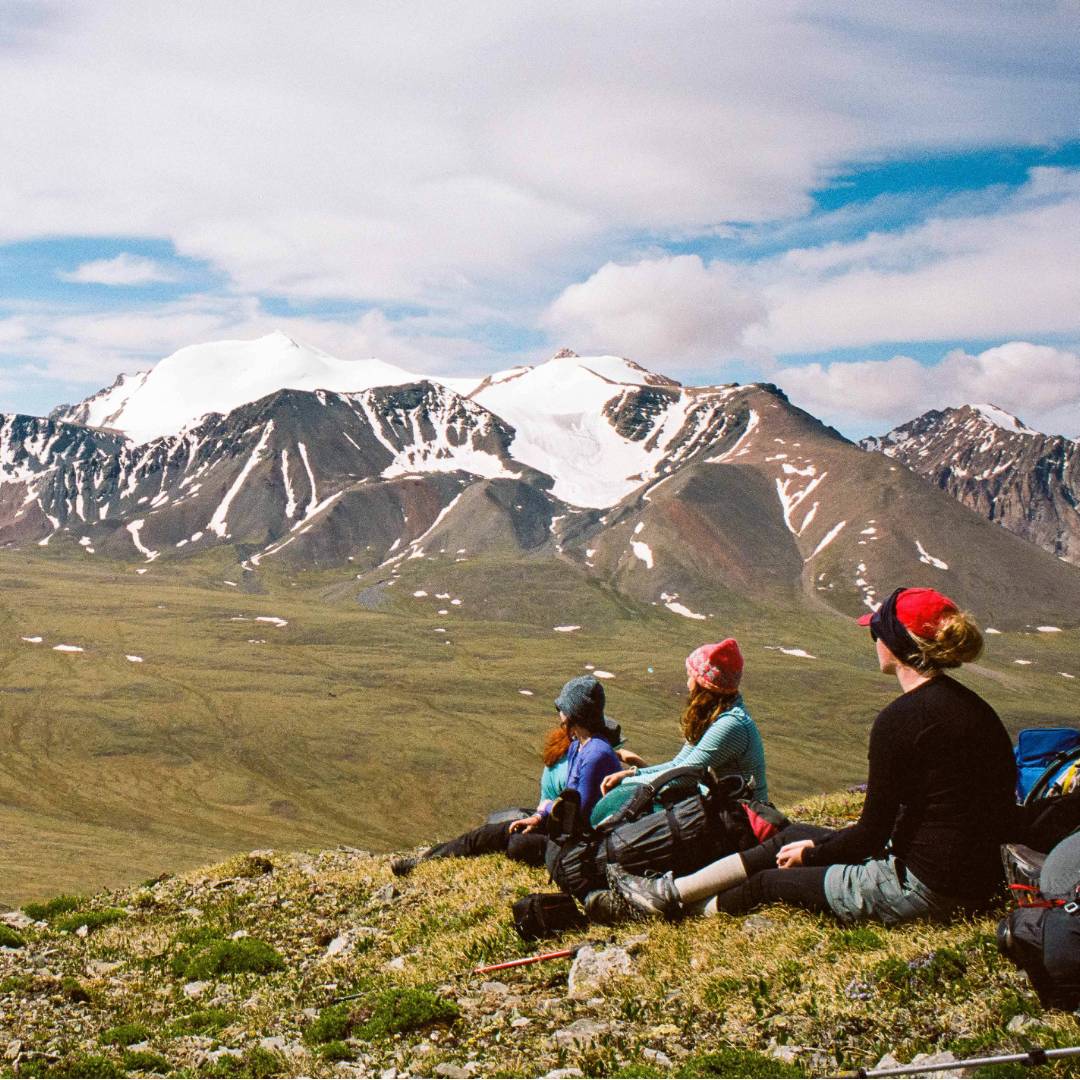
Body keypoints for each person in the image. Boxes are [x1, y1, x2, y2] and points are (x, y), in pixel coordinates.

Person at [608, 587, 1017, 925]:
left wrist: (814, 855)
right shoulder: (975, 708)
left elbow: (870, 836)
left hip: (922, 890)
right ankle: (669, 893)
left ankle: (680, 914)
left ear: (895, 640)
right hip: (971, 878)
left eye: (876, 631)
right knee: (788, 837)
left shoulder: (901, 721)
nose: (873, 640)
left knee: (767, 882)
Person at [391, 675, 632, 876]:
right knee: (494, 833)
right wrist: (539, 817)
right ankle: (424, 862)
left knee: (516, 842)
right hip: (563, 828)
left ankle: (428, 861)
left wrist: (541, 820)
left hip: (579, 843)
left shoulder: (595, 754)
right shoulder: (579, 745)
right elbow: (568, 802)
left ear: (574, 713)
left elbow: (579, 816)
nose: (559, 713)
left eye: (562, 708)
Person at [590, 639, 768, 826]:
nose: (687, 682)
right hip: (727, 810)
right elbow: (678, 764)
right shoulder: (716, 715)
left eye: (690, 675)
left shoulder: (731, 725)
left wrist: (625, 788)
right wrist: (632, 775)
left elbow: (686, 775)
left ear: (704, 684)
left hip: (748, 820)